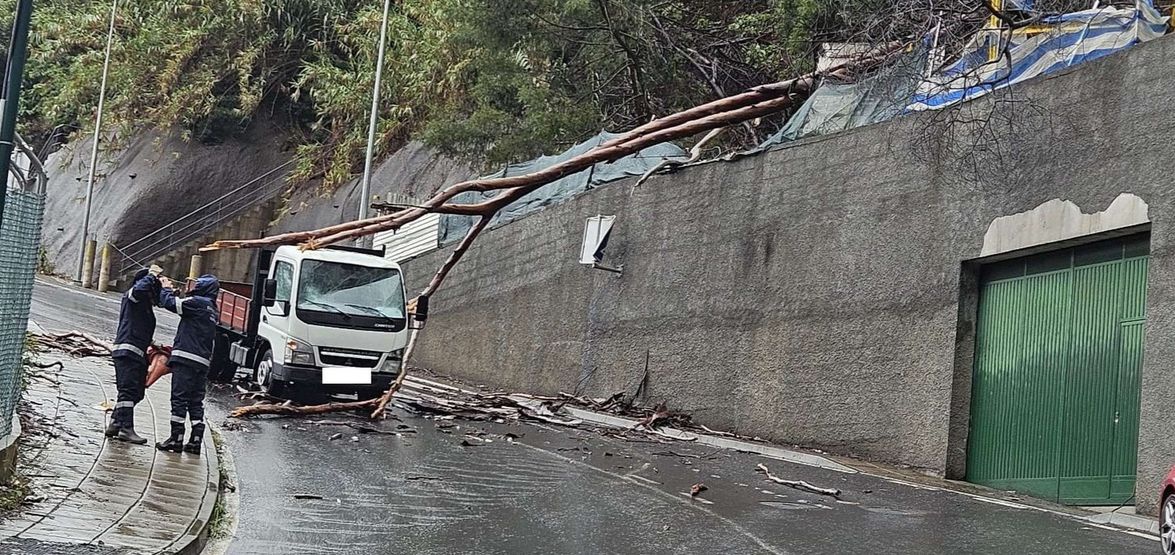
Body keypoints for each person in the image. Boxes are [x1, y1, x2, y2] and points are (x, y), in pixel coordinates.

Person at [155, 274, 219, 455]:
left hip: (186, 359)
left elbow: (170, 304)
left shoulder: (197, 302)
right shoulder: (213, 309)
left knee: (179, 399)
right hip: (202, 362)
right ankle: (196, 439)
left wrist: (165, 287)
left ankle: (176, 438)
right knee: (195, 401)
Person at [109, 266, 163, 444]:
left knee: (137, 392)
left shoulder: (144, 305)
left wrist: (153, 344)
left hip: (137, 353)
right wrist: (152, 275)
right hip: (127, 352)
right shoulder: (133, 296)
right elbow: (139, 289)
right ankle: (126, 429)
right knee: (128, 391)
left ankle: (116, 422)